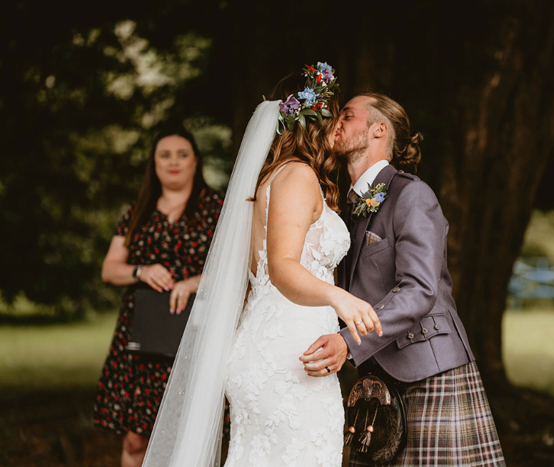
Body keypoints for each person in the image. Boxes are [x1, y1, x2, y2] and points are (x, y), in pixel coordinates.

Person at [141, 63, 381, 467]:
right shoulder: (297, 176)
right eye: (334, 116)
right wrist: (340, 298)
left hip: (276, 347)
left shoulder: (271, 180)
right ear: (312, 122)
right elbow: (282, 268)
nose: (338, 127)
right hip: (289, 356)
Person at [300, 93, 507, 466]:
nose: (336, 123)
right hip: (378, 377)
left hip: (428, 368)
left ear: (379, 129)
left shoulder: (411, 194)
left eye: (347, 115)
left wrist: (347, 342)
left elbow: (419, 290)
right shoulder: (344, 206)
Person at [94, 126, 224, 467]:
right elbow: (110, 270)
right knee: (136, 439)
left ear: (196, 162)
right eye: (165, 155)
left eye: (182, 154)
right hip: (142, 339)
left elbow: (237, 270)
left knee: (188, 439)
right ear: (154, 164)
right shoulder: (138, 211)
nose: (174, 162)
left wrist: (195, 282)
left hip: (195, 336)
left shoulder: (217, 209)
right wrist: (140, 271)